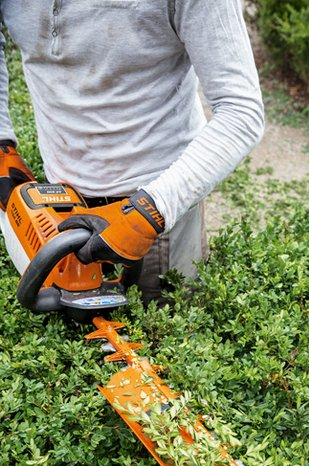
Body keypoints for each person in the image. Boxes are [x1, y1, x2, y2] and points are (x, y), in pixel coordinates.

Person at [0, 1, 264, 305]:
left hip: (157, 215)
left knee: (163, 342)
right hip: (57, 205)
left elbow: (241, 110)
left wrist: (149, 213)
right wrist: (2, 146)